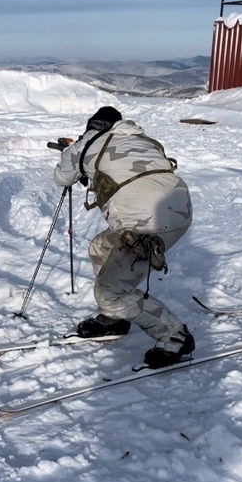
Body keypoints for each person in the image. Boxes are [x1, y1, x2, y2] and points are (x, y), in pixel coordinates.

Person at [53, 106, 194, 368]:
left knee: (109, 293)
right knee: (100, 247)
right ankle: (114, 318)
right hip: (177, 211)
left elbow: (62, 177)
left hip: (145, 225)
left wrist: (71, 152)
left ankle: (175, 336)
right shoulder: (143, 139)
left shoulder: (87, 142)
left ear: (92, 125)